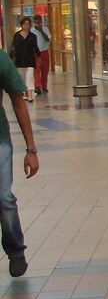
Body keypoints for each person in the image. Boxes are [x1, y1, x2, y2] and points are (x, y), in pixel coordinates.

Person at [0, 42, 40, 278]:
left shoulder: (1, 59)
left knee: (3, 198)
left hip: (0, 140)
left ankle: (15, 250)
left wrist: (31, 150)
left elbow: (18, 101)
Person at [10, 18, 39, 103]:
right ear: (22, 25)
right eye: (25, 24)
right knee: (22, 78)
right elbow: (13, 47)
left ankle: (30, 95)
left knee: (29, 77)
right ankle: (24, 94)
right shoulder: (17, 35)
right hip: (19, 60)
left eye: (28, 24)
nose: (26, 26)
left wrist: (39, 56)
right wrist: (11, 58)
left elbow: (36, 47)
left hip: (30, 59)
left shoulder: (33, 36)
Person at [31, 14, 51, 94]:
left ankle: (44, 86)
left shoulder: (45, 29)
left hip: (44, 51)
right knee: (36, 70)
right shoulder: (31, 31)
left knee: (45, 70)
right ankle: (37, 86)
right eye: (36, 21)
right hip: (36, 53)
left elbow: (48, 39)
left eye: (39, 20)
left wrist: (41, 31)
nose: (37, 22)